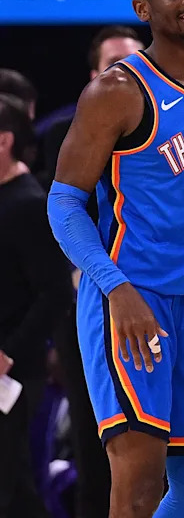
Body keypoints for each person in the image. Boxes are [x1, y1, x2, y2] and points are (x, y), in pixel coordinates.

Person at [47, 0, 184, 518]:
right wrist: (116, 288)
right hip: (131, 301)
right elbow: (62, 205)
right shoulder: (116, 91)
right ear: (143, 7)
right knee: (136, 488)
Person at [53, 25, 146, 518]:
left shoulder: (173, 119)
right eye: (114, 64)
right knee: (101, 449)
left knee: (175, 461)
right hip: (95, 297)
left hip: (162, 298)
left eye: (134, 62)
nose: (125, 73)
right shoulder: (61, 132)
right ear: (94, 76)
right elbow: (54, 216)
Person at [0, 95, 74, 518]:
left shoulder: (28, 203)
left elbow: (56, 293)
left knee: (12, 489)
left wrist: (9, 353)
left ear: (4, 140)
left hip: (15, 374)